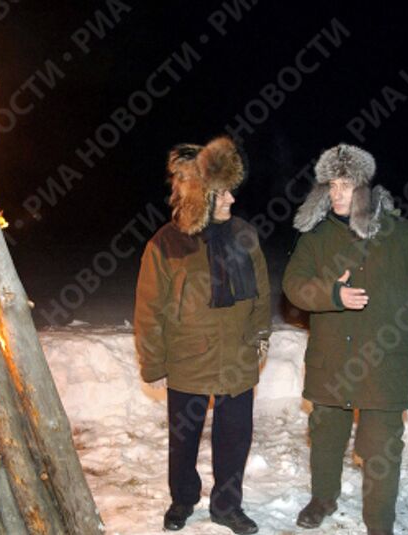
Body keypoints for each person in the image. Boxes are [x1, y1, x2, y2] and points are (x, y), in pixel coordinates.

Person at [282, 143, 408, 535]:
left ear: (364, 187)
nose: (338, 193)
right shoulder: (316, 238)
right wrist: (331, 295)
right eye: (331, 185)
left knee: (380, 450)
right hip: (330, 361)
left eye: (346, 184)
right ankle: (323, 497)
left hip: (382, 364)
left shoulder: (398, 234)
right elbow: (293, 285)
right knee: (325, 435)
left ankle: (380, 523)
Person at [134, 136, 271, 534]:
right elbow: (148, 310)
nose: (231, 200)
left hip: (237, 358)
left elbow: (262, 294)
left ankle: (227, 506)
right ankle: (183, 499)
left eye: (229, 191)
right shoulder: (165, 243)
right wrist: (153, 363)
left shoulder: (245, 234)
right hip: (187, 359)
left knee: (234, 439)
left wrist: (261, 336)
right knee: (184, 441)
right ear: (200, 196)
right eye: (222, 193)